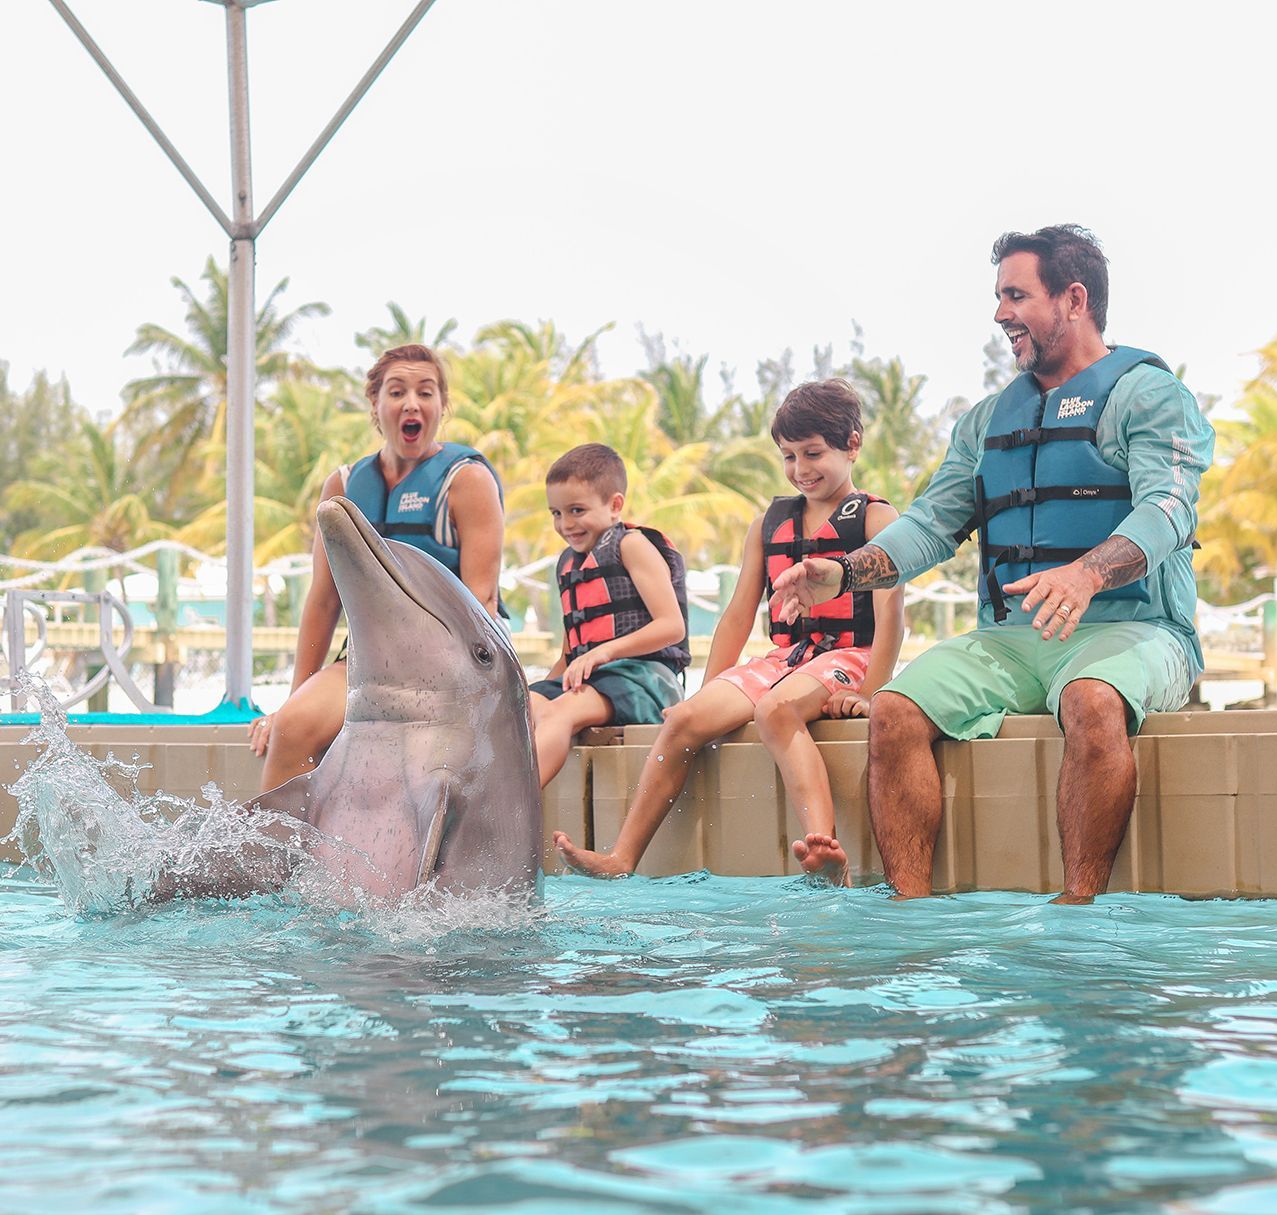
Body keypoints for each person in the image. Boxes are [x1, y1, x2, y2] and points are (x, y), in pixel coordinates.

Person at [772, 225, 1214, 904]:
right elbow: (931, 523)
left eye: (1016, 294)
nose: (1000, 313)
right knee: (893, 710)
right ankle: (910, 915)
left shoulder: (1150, 396)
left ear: (1073, 298)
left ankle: (1076, 911)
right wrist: (844, 571)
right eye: (998, 296)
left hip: (1137, 630)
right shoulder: (986, 422)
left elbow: (1168, 510)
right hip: (1010, 640)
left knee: (1091, 701)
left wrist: (1087, 572)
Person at [555, 379, 904, 885]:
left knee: (777, 711)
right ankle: (622, 857)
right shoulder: (770, 523)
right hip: (788, 656)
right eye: (788, 456)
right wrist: (710, 688)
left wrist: (872, 690)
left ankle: (825, 852)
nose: (801, 470)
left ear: (852, 445)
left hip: (850, 653)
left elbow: (892, 610)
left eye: (813, 453)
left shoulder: (874, 518)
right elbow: (739, 614)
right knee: (683, 720)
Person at [249, 343, 507, 791]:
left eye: (426, 393)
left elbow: (480, 602)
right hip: (365, 662)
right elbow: (324, 601)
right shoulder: (345, 486)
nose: (412, 403)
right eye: (397, 391)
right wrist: (292, 700)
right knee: (292, 728)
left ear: (442, 406)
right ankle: (282, 861)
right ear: (375, 404)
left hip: (450, 665)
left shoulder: (466, 481)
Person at [528, 443, 690, 788]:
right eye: (556, 513)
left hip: (645, 679)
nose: (566, 524)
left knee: (559, 714)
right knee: (519, 708)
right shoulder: (569, 563)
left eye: (576, 510)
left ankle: (507, 809)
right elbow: (571, 652)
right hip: (596, 681)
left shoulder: (631, 545)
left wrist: (605, 652)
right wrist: (545, 685)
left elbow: (671, 627)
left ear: (614, 505)